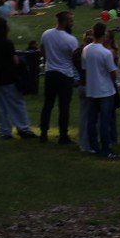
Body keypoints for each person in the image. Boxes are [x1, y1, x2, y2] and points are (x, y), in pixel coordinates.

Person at [0, 18, 36, 141]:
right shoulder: (7, 43)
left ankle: (4, 131)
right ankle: (23, 128)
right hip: (8, 77)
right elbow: (14, 61)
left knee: (1, 106)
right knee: (17, 103)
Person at [38, 12, 79, 144]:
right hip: (65, 75)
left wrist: (48, 60)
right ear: (66, 22)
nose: (72, 23)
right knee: (64, 106)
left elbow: (42, 49)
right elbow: (76, 58)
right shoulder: (71, 40)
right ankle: (63, 136)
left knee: (47, 105)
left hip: (50, 73)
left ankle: (43, 133)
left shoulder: (46, 34)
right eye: (71, 21)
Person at [81, 21, 120, 157]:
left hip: (91, 89)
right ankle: (105, 148)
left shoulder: (86, 50)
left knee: (91, 121)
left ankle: (94, 147)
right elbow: (112, 72)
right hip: (105, 90)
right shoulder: (106, 53)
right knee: (105, 121)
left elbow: (85, 68)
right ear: (103, 34)